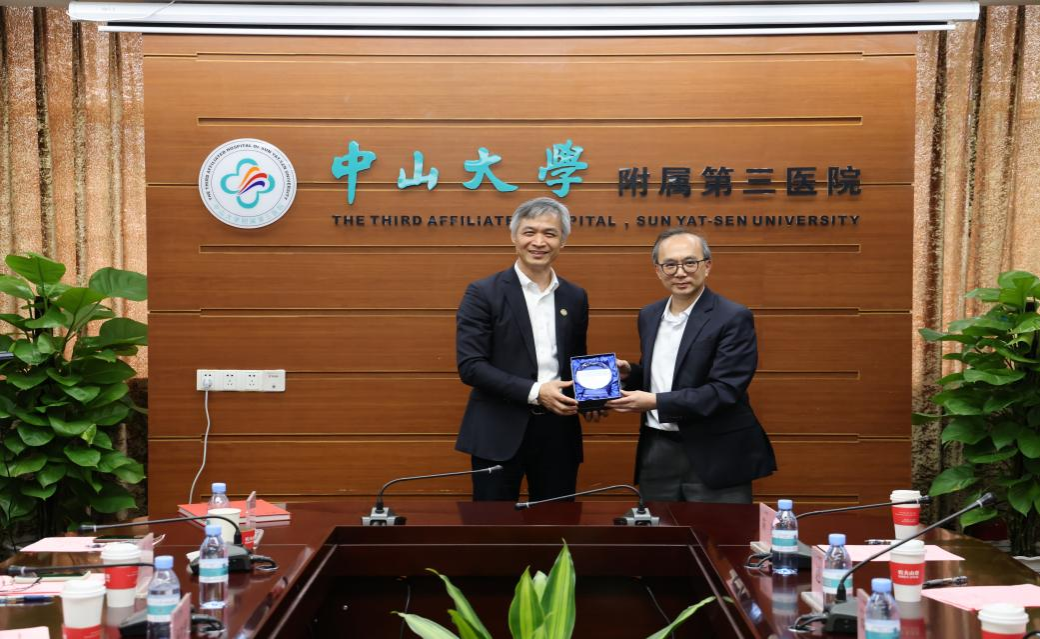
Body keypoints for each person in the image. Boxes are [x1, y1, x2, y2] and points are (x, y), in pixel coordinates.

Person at [606, 228, 776, 503]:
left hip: (715, 452)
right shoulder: (649, 315)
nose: (680, 272)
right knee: (658, 527)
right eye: (670, 265)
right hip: (657, 450)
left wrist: (655, 402)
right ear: (658, 270)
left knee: (720, 530)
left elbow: (724, 390)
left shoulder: (733, 316)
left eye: (690, 262)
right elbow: (667, 375)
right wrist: (632, 374)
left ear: (707, 266)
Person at [455, 197, 593, 501]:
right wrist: (536, 391)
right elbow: (471, 366)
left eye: (550, 233)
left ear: (563, 241)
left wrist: (595, 395)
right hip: (497, 431)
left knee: (557, 520)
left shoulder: (575, 296)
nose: (539, 242)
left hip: (558, 432)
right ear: (514, 237)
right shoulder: (483, 293)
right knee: (493, 525)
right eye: (529, 232)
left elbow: (576, 361)